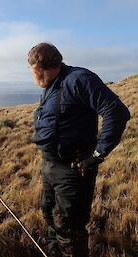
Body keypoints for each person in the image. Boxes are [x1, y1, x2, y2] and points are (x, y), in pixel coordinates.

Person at [27, 43, 130, 257]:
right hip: (50, 164)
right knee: (49, 214)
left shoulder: (79, 79)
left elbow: (116, 112)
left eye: (32, 71)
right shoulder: (51, 84)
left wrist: (96, 155)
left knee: (69, 227)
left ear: (38, 67)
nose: (33, 76)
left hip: (73, 168)